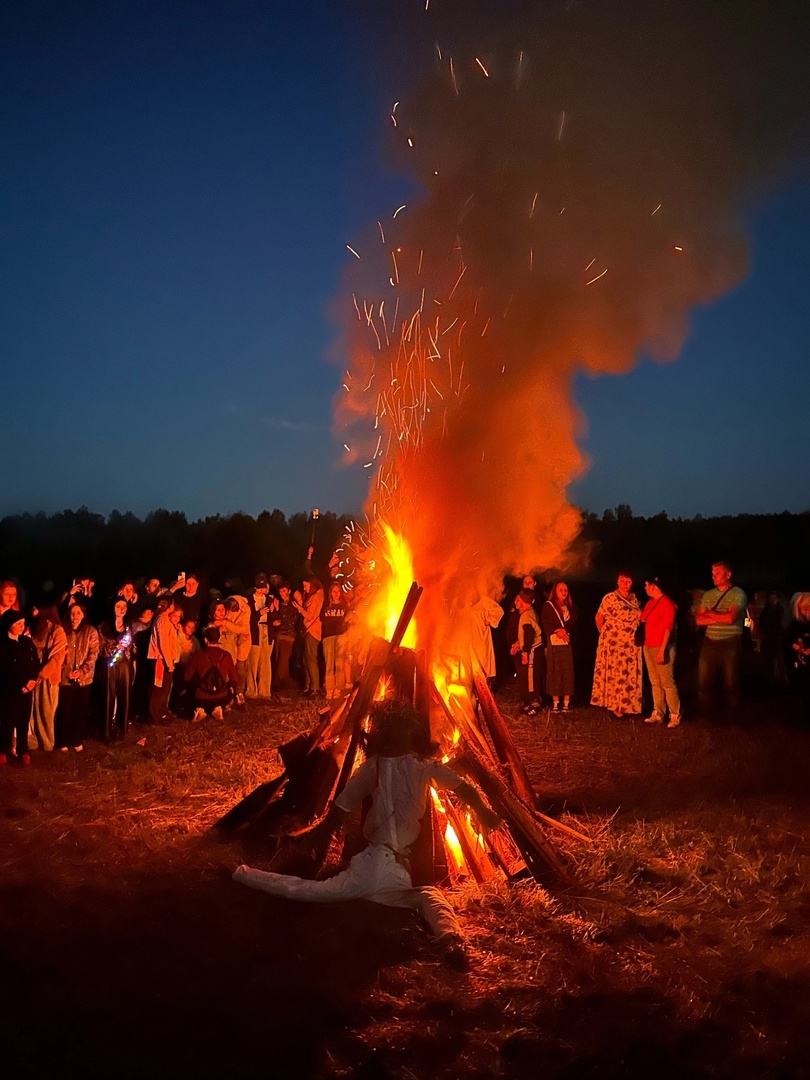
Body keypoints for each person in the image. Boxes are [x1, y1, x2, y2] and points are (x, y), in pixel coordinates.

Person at [233, 698, 499, 968]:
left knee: (308, 890)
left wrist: (320, 835)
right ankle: (451, 940)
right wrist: (483, 812)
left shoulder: (377, 767)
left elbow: (341, 809)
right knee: (427, 897)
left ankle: (241, 873)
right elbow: (463, 788)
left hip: (381, 873)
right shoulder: (420, 766)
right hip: (388, 870)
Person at [695, 561, 748, 722]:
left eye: (717, 573)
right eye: (713, 573)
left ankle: (733, 717)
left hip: (730, 642)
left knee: (731, 683)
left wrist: (710, 614)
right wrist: (719, 617)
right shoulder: (709, 595)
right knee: (703, 681)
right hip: (710, 641)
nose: (713, 576)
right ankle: (706, 715)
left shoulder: (738, 594)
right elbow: (698, 620)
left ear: (728, 574)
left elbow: (731, 618)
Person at [590, 571, 642, 718]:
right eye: (622, 581)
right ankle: (615, 706)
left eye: (628, 581)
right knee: (616, 672)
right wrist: (605, 635)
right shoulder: (610, 598)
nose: (625, 584)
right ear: (617, 582)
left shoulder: (635, 598)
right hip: (615, 643)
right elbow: (599, 617)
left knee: (627, 672)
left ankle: (627, 704)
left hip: (631, 643)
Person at [55, 601, 99, 752]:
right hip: (65, 678)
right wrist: (66, 670)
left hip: (84, 679)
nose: (75, 617)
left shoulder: (90, 632)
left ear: (83, 614)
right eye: (72, 613)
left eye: (78, 613)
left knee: (80, 710)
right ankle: (63, 741)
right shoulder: (62, 630)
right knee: (65, 710)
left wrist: (81, 671)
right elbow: (58, 653)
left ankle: (77, 739)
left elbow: (93, 654)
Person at [0, 610, 40, 766]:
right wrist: (20, 684)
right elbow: (4, 669)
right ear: (9, 625)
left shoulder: (26, 642)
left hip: (27, 690)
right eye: (17, 624)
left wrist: (32, 681)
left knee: (23, 721)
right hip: (9, 690)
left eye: (22, 623)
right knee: (7, 721)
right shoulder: (3, 644)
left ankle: (23, 751)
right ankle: (3, 750)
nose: (21, 626)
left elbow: (35, 662)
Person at [640, 578, 681, 728]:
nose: (645, 588)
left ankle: (675, 715)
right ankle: (658, 712)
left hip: (662, 646)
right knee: (655, 681)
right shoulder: (650, 602)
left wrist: (662, 650)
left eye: (647, 585)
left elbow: (668, 629)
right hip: (648, 645)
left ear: (654, 585)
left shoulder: (667, 604)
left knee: (667, 682)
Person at [29, 603, 67, 752]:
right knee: (33, 710)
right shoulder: (34, 629)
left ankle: (47, 744)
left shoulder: (57, 631)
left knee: (46, 711)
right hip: (33, 677)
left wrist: (41, 674)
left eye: (38, 615)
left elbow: (57, 657)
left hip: (48, 677)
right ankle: (33, 742)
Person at [97, 599, 134, 741]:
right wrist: (115, 648)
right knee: (108, 695)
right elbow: (100, 649)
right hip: (109, 665)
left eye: (124, 606)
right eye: (118, 606)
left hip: (124, 664)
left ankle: (122, 727)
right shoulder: (104, 626)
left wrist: (126, 649)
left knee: (125, 694)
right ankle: (106, 729)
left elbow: (130, 647)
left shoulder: (127, 627)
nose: (121, 609)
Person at [184, 626, 238, 721]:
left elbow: (187, 677)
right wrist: (227, 686)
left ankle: (201, 708)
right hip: (221, 696)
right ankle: (219, 707)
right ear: (218, 639)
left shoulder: (199, 655)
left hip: (201, 697)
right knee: (228, 693)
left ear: (206, 640)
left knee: (192, 692)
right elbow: (234, 678)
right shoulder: (226, 655)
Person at [541, 582, 577, 713]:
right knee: (554, 671)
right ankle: (556, 702)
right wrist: (557, 631)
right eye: (561, 589)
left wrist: (565, 631)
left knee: (567, 671)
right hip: (554, 643)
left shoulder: (570, 608)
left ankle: (566, 702)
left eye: (566, 590)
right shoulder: (548, 606)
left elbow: (573, 624)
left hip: (566, 643)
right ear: (555, 591)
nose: (564, 592)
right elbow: (545, 622)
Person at [147, 599, 182, 724]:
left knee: (165, 687)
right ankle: (155, 715)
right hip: (160, 658)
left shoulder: (166, 620)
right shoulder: (162, 620)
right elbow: (163, 643)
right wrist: (168, 662)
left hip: (164, 658)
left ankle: (162, 712)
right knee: (159, 688)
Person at [510, 590, 544, 715]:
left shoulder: (526, 616)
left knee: (531, 676)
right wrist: (518, 644)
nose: (516, 602)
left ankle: (535, 704)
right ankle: (528, 704)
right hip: (532, 648)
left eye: (518, 600)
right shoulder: (528, 613)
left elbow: (529, 635)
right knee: (529, 676)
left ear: (524, 603)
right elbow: (525, 635)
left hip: (533, 649)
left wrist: (525, 652)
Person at [247, 572, 276, 700]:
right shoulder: (249, 600)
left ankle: (264, 692)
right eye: (260, 588)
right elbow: (248, 619)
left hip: (267, 631)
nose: (262, 590)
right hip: (255, 631)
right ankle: (251, 691)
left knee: (266, 661)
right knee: (253, 662)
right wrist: (260, 613)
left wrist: (273, 611)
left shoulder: (269, 599)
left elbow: (273, 618)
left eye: (264, 588)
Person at [293, 577, 324, 697]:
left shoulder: (316, 598)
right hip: (308, 630)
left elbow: (310, 616)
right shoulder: (311, 597)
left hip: (313, 630)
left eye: (306, 585)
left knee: (311, 660)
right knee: (306, 660)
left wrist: (299, 609)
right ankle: (309, 686)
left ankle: (315, 687)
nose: (304, 588)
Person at [321, 583, 350, 701]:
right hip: (328, 637)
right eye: (334, 591)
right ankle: (329, 689)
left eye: (338, 591)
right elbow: (321, 620)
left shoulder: (344, 606)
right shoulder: (326, 606)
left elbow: (348, 621)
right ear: (331, 593)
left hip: (340, 636)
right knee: (329, 663)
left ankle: (338, 689)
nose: (336, 593)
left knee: (339, 663)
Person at [785, 592, 810, 727]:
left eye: (809, 607)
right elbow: (788, 643)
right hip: (801, 667)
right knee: (803, 694)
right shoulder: (795, 625)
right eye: (804, 608)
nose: (807, 611)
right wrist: (795, 647)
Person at [272, 582, 300, 689]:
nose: (282, 593)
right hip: (279, 635)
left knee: (283, 660)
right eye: (280, 591)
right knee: (279, 659)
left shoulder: (292, 604)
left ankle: (279, 682)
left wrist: (280, 623)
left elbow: (292, 620)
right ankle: (283, 682)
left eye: (284, 591)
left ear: (289, 591)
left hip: (288, 635)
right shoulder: (281, 604)